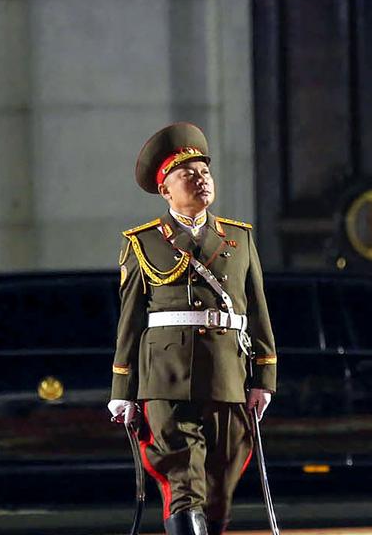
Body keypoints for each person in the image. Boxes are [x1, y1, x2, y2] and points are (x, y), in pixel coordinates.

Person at [107, 122, 277, 535]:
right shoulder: (143, 243)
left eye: (205, 173)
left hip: (228, 373)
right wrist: (122, 393)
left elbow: (257, 311)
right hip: (165, 378)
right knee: (183, 479)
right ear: (166, 189)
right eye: (189, 175)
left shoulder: (239, 238)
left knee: (220, 483)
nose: (201, 180)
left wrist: (264, 377)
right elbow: (129, 321)